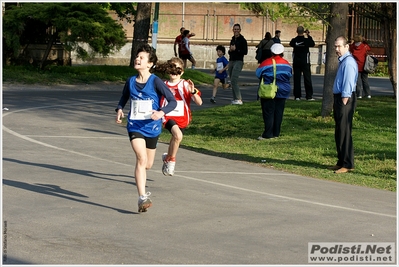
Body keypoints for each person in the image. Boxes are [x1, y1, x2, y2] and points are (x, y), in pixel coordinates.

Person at [115, 44, 177, 213]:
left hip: (152, 127)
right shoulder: (130, 81)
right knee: (141, 160)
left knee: (148, 164)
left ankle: (165, 158)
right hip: (135, 125)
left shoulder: (155, 81)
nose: (137, 59)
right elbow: (124, 97)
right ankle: (142, 197)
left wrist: (160, 112)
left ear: (149, 64)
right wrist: (120, 109)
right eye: (137, 56)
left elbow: (172, 101)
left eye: (141, 58)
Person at [159, 57, 203, 176]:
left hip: (182, 118)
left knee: (176, 138)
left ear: (182, 72)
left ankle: (168, 158)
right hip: (167, 116)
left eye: (177, 69)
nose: (174, 71)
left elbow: (199, 103)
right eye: (172, 68)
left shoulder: (185, 85)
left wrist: (193, 91)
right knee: (178, 135)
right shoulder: (163, 85)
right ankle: (171, 162)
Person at [330, 36, 358, 174]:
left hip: (344, 99)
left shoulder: (348, 63)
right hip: (340, 98)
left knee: (344, 131)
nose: (336, 49)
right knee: (339, 131)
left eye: (339, 46)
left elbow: (348, 82)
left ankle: (347, 163)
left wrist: (344, 99)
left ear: (347, 46)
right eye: (335, 46)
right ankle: (341, 160)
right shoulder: (343, 61)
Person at [255, 43, 292, 140]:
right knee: (279, 112)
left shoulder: (265, 63)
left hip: (269, 90)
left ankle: (268, 134)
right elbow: (289, 75)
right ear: (282, 52)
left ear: (271, 52)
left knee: (268, 112)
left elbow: (258, 73)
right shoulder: (287, 64)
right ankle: (276, 133)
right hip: (283, 90)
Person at [289, 26, 315, 101]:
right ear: (303, 32)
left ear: (296, 31)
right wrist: (308, 35)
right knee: (307, 79)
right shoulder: (306, 40)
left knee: (297, 79)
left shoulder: (294, 40)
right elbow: (312, 43)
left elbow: (291, 44)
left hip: (296, 61)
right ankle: (309, 96)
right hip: (305, 62)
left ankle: (297, 96)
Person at [228, 23, 248, 105]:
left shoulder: (243, 40)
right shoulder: (232, 39)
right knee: (232, 81)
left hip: (238, 61)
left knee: (234, 79)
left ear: (240, 30)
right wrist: (231, 50)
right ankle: (235, 98)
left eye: (237, 29)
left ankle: (239, 99)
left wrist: (236, 49)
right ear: (233, 30)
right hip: (231, 60)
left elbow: (245, 52)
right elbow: (230, 51)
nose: (236, 30)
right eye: (235, 29)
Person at [349, 34, 372, 99]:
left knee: (357, 81)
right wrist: (365, 41)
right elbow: (369, 49)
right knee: (365, 80)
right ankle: (368, 94)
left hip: (356, 65)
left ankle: (359, 94)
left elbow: (350, 50)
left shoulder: (353, 46)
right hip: (364, 65)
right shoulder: (364, 46)